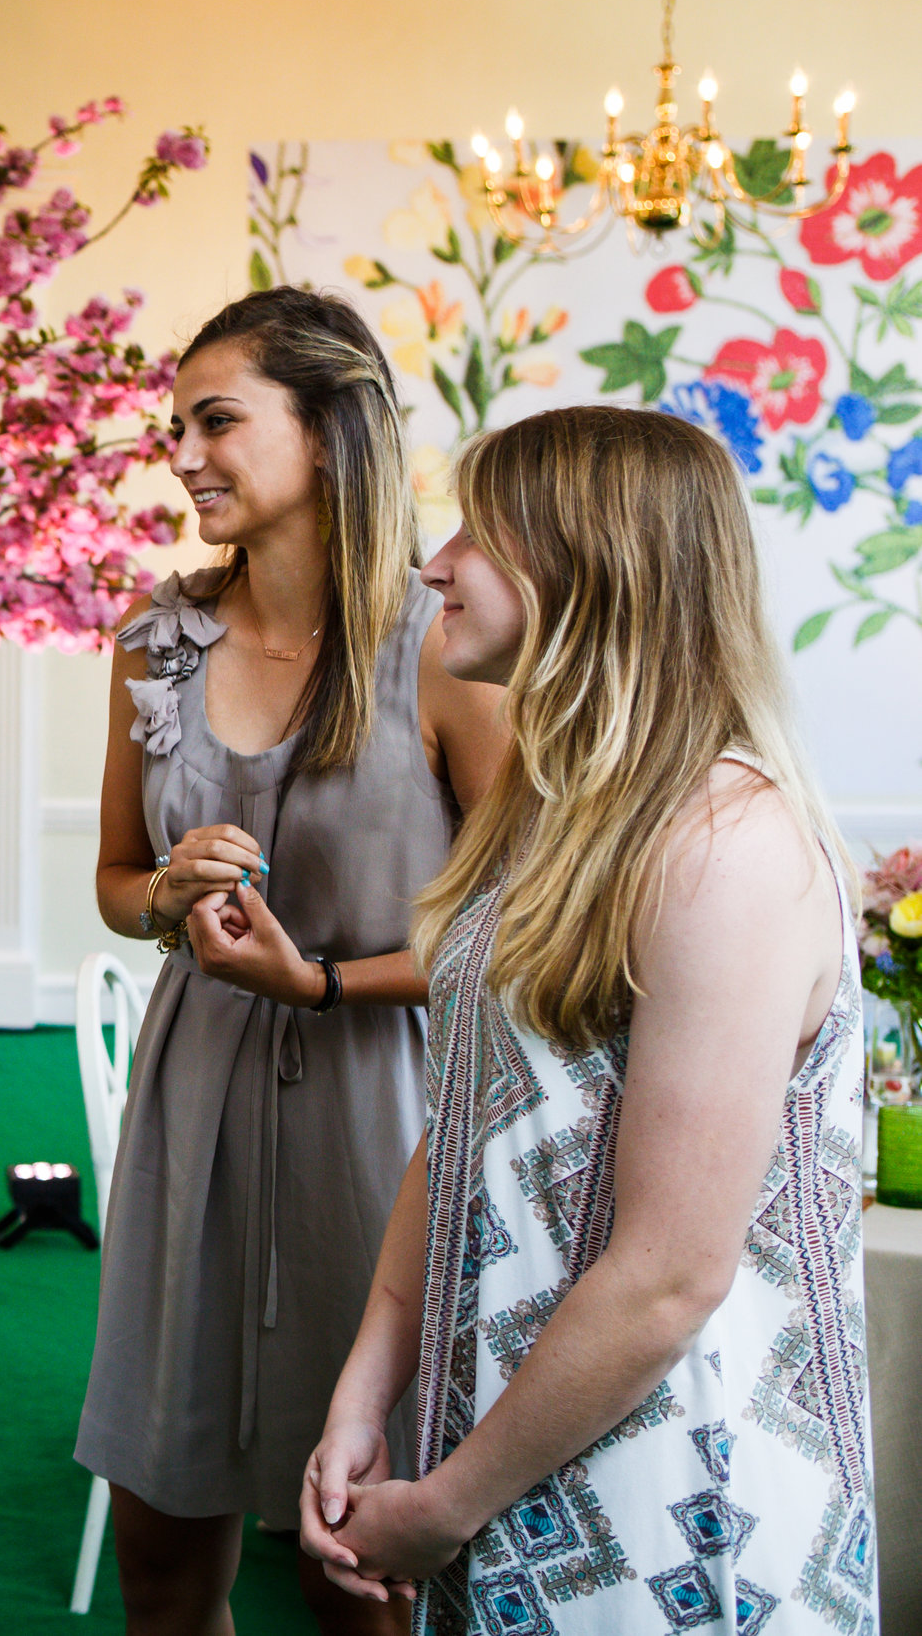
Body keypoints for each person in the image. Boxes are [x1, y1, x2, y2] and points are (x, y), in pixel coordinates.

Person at [299, 406, 874, 1634]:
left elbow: (669, 1276)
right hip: (512, 1439)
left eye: (479, 534)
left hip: (672, 1496)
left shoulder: (726, 842)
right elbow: (464, 1121)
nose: (431, 563)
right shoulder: (548, 809)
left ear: (588, 568)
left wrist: (445, 1502)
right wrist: (367, 1386)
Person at [72, 286, 508, 1635]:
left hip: (383, 1121)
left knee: (355, 1574)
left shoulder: (445, 648)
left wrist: (315, 981)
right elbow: (111, 884)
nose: (184, 452)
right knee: (160, 1543)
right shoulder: (153, 640)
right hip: (190, 1109)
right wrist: (170, 894)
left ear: (325, 432)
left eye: (218, 419)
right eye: (175, 425)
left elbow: (510, 928)